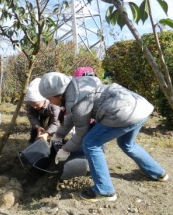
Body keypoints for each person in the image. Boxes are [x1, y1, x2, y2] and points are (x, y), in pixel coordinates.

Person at [38, 72, 168, 202]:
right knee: (127, 144)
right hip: (140, 107)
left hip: (122, 113)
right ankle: (158, 173)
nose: (50, 102)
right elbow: (72, 118)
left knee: (90, 143)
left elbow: (81, 133)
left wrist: (65, 150)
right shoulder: (78, 86)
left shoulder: (78, 104)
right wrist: (58, 135)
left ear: (59, 95)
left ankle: (104, 190)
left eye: (49, 99)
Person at [25, 78, 61, 144]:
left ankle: (56, 144)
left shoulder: (54, 104)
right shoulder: (30, 103)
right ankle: (33, 143)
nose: (34, 107)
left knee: (54, 129)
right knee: (36, 128)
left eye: (36, 104)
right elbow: (32, 116)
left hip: (52, 113)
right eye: (32, 104)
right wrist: (37, 126)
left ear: (44, 99)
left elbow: (56, 121)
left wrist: (47, 133)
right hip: (41, 112)